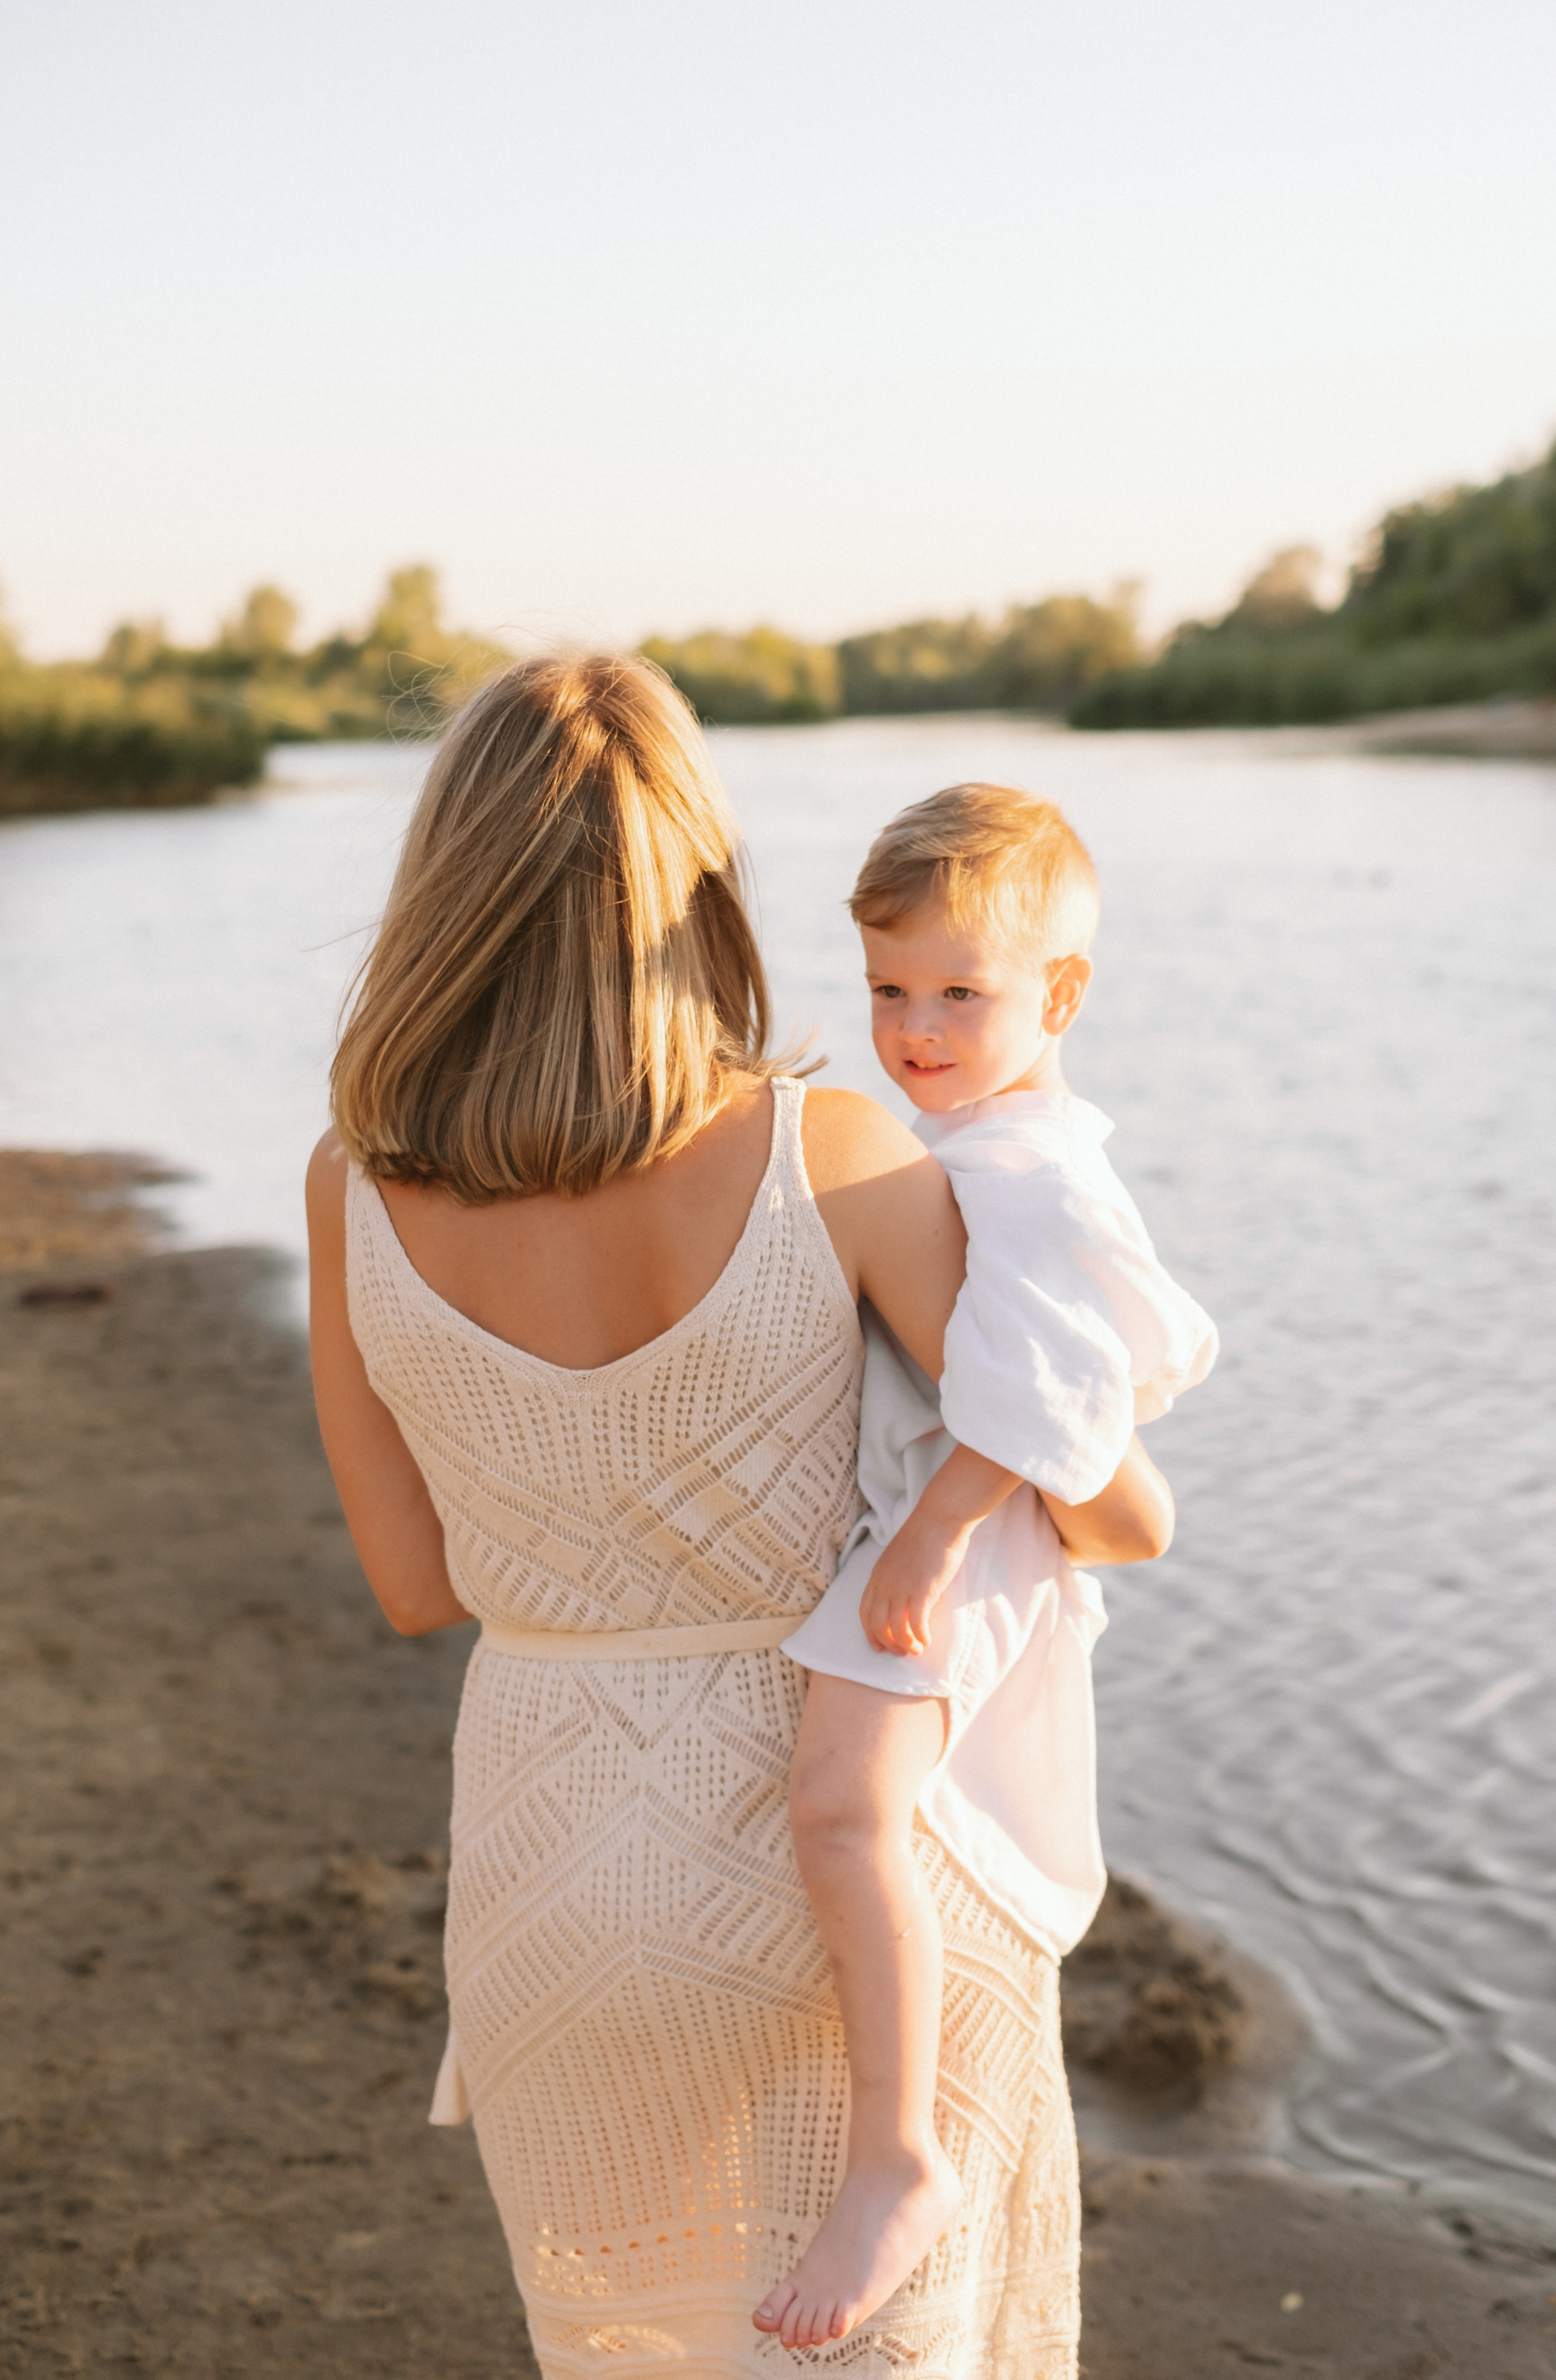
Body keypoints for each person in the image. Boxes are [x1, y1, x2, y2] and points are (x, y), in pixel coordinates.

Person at [305, 660, 1165, 2378]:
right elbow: (1120, 1510)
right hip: (838, 1887)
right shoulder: (831, 1148)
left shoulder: (347, 1184)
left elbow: (413, 1587)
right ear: (693, 881)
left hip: (548, 1869)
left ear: (443, 887)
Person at [765, 783, 1217, 2348]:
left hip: (959, 1536)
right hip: (948, 1525)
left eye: (960, 991)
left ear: (1061, 995)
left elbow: (1052, 1393)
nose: (915, 1026)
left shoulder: (1029, 1172)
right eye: (889, 990)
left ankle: (899, 2157)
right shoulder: (979, 1141)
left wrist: (939, 1532)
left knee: (840, 1807)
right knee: (854, 1811)